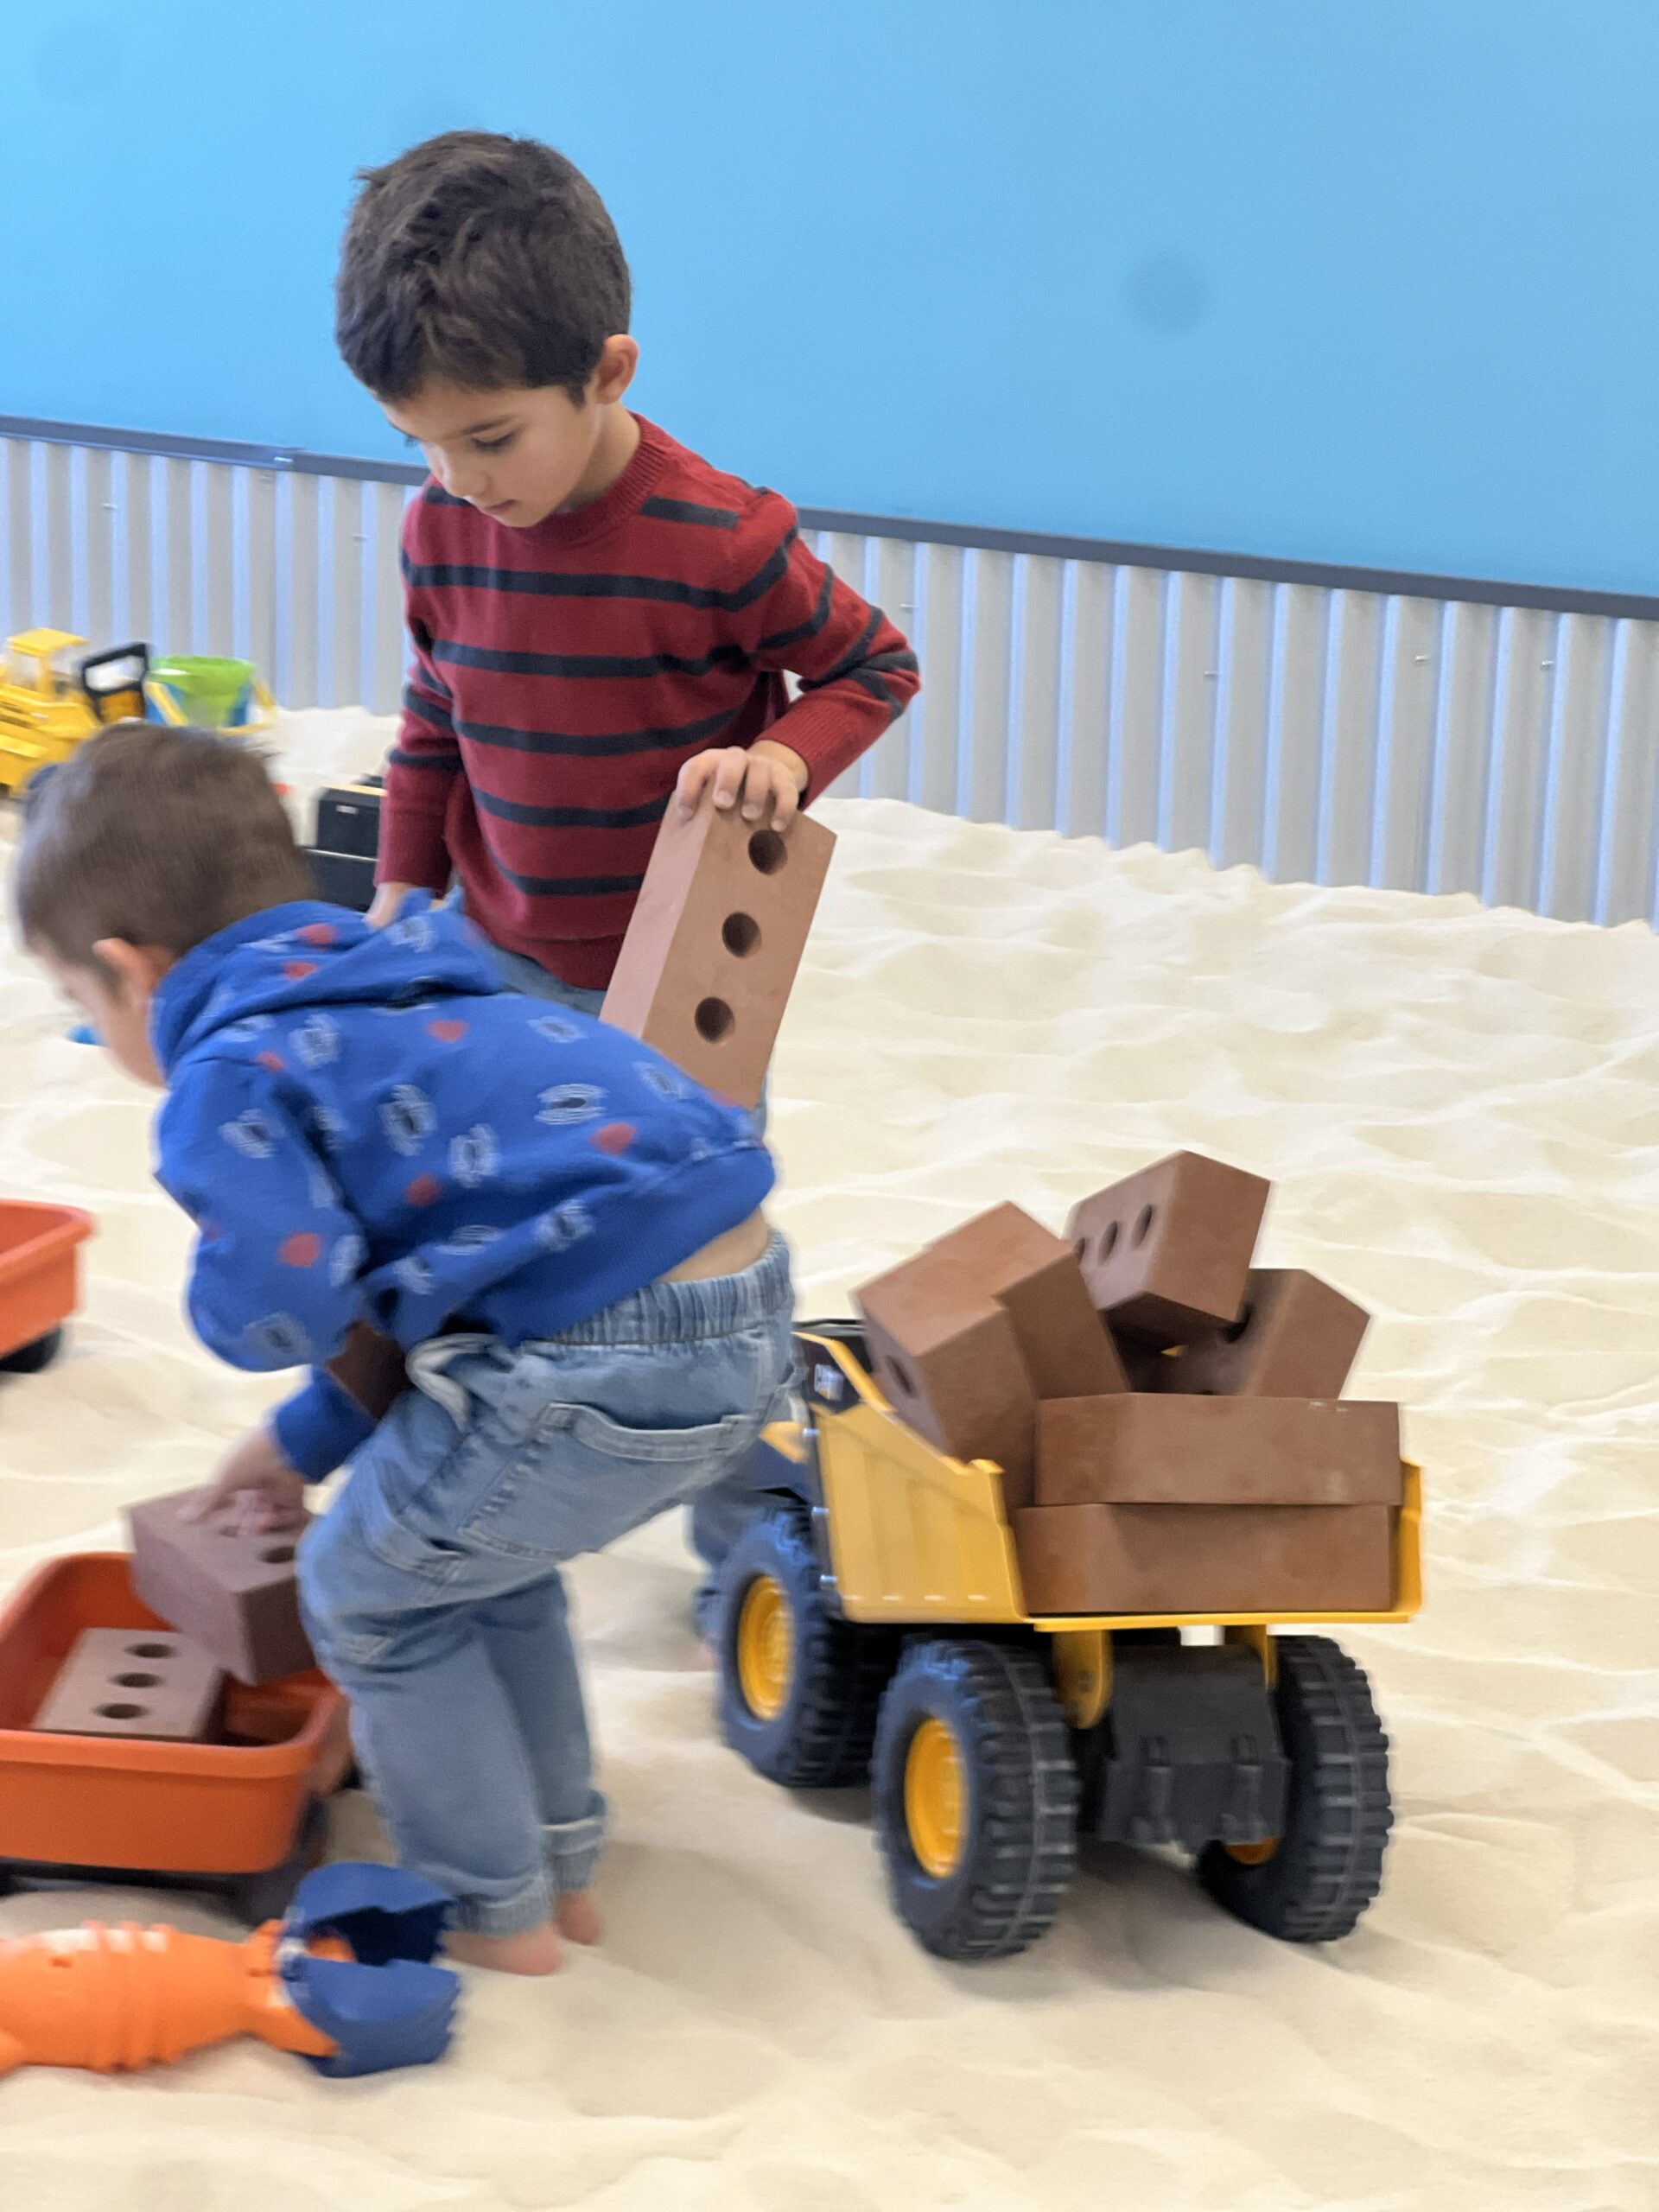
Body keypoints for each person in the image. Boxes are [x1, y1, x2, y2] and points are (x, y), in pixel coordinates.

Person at [13, 724, 797, 1975]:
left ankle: (492, 1911)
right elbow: (422, 1320)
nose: (94, 1034)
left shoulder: (227, 1069)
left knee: (362, 1592)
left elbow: (291, 1306)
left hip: (598, 1356)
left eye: (77, 1004)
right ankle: (560, 1868)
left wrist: (229, 1314)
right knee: (477, 1560)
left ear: (130, 972)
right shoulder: (411, 972)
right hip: (748, 1312)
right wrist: (292, 1446)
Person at [334, 130, 918, 1605]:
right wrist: (401, 885)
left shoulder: (715, 537)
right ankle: (516, 1451)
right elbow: (433, 714)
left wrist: (786, 757)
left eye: (490, 438)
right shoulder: (441, 530)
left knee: (696, 1254)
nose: (458, 480)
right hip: (494, 940)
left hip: (678, 974)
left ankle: (741, 1515)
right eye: (421, 443)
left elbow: (873, 665)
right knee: (507, 1210)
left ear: (609, 370)